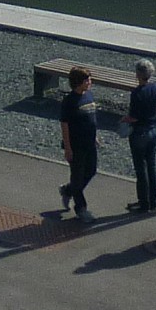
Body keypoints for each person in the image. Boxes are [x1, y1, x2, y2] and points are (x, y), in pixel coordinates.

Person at [126, 59, 156, 214]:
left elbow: (133, 117)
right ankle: (153, 201)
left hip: (140, 132)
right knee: (151, 165)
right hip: (154, 129)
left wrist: (122, 120)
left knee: (141, 168)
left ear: (137, 74)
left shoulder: (136, 93)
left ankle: (143, 203)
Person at [57, 66, 99, 218]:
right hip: (76, 146)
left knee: (91, 170)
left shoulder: (89, 96)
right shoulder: (69, 102)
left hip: (89, 143)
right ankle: (81, 209)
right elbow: (65, 124)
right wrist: (68, 148)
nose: (90, 82)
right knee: (77, 176)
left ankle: (68, 190)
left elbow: (91, 119)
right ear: (78, 82)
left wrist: (94, 137)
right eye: (87, 80)